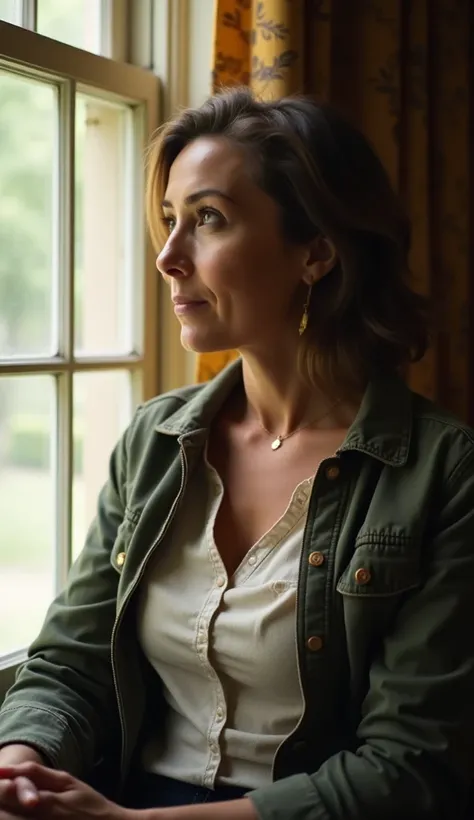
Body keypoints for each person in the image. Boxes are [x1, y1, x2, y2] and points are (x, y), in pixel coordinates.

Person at [0, 86, 473, 820]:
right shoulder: (155, 443)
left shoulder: (444, 473)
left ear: (315, 250)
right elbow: (74, 661)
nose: (167, 257)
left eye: (208, 220)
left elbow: (411, 767)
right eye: (169, 221)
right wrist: (21, 765)